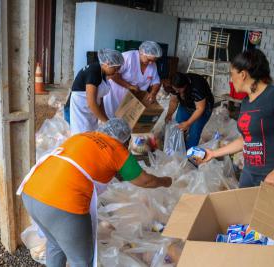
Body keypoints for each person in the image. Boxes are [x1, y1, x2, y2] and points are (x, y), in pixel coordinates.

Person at [17, 118, 172, 267]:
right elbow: (145, 181)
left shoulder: (83, 136)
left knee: (55, 244)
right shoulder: (116, 149)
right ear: (125, 140)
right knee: (81, 260)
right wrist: (165, 181)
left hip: (31, 193)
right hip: (62, 205)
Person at [199, 49, 274, 189]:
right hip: (249, 174)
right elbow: (247, 139)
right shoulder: (247, 101)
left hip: (273, 179)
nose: (230, 79)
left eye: (231, 74)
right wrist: (213, 153)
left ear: (242, 75)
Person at [64, 49, 124, 135]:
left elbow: (100, 100)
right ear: (107, 63)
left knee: (91, 136)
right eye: (116, 68)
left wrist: (107, 120)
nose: (117, 71)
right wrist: (107, 122)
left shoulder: (102, 74)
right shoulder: (93, 72)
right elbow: (92, 102)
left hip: (88, 111)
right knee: (81, 138)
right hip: (79, 111)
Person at [103, 41, 162, 118]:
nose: (151, 63)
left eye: (154, 60)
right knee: (111, 120)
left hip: (132, 99)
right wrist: (129, 86)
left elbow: (156, 81)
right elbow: (112, 75)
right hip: (114, 96)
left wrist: (153, 93)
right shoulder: (128, 57)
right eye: (149, 59)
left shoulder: (152, 65)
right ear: (141, 52)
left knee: (127, 121)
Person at [164, 72, 214, 149]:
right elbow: (174, 101)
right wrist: (169, 114)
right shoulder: (175, 85)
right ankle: (175, 150)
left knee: (194, 133)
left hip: (202, 108)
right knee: (178, 126)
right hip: (186, 104)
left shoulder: (197, 87)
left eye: (179, 90)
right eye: (175, 89)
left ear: (185, 86)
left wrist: (188, 123)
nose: (177, 92)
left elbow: (200, 108)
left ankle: (188, 155)